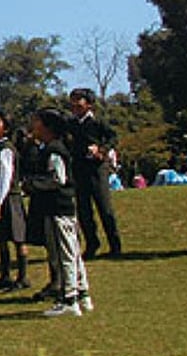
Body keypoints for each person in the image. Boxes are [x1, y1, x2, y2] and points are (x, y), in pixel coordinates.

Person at [25, 109, 91, 317]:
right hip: (64, 207)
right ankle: (82, 294)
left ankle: (68, 299)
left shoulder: (54, 150)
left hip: (57, 208)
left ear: (46, 126)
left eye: (36, 121)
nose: (33, 125)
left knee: (63, 254)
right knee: (73, 251)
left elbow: (57, 179)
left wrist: (32, 185)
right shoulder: (53, 147)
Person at [67, 88, 122, 259]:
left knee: (104, 208)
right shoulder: (71, 124)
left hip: (97, 168)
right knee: (84, 210)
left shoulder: (97, 123)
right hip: (79, 169)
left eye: (79, 100)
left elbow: (113, 137)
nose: (75, 104)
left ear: (88, 104)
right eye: (72, 100)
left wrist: (102, 150)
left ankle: (115, 244)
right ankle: (92, 243)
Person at [0, 112, 30, 291]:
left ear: (6, 127)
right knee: (0, 236)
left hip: (8, 198)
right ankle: (5, 275)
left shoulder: (6, 149)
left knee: (18, 238)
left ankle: (22, 276)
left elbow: (6, 176)